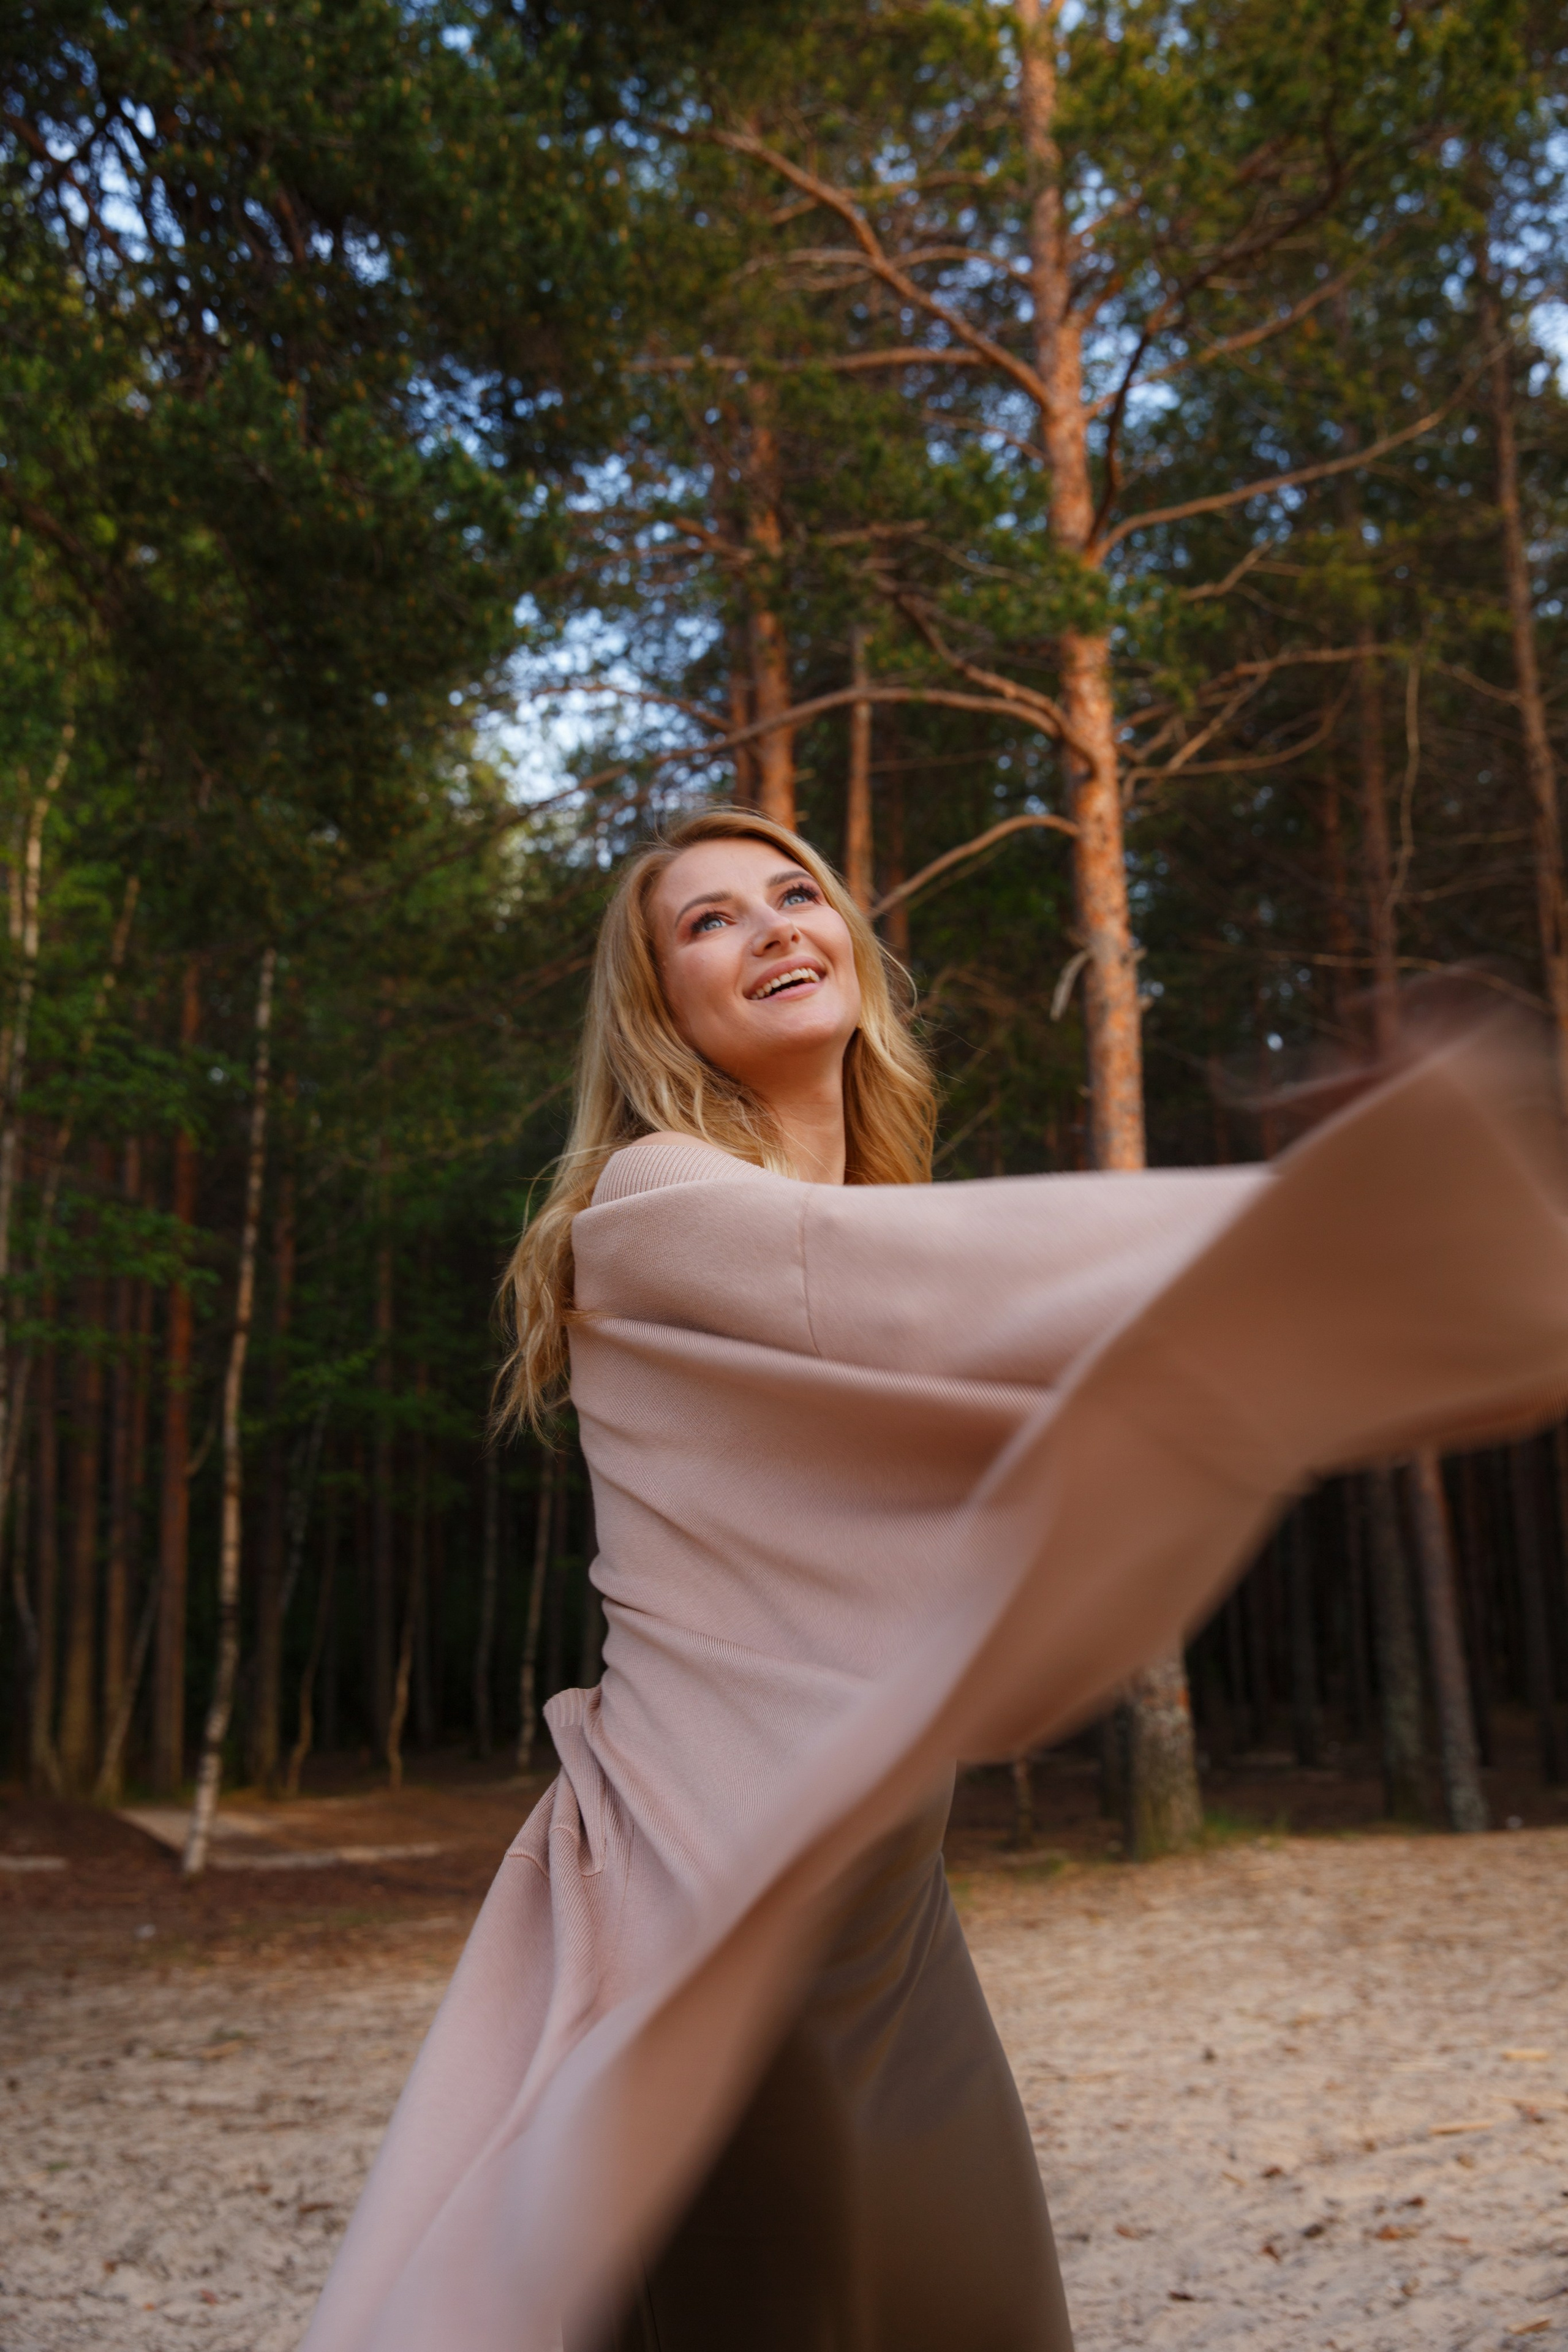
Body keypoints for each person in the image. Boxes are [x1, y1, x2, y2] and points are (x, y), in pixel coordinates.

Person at [301, 810, 1568, 2352]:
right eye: (706, 923)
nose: (770, 927)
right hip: (720, 1887)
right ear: (652, 1007)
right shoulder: (654, 1209)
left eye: (793, 895)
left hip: (882, 1897)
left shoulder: (852, 1234)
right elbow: (974, 1300)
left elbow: (1055, 1408)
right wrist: (1348, 1219)